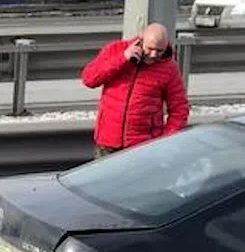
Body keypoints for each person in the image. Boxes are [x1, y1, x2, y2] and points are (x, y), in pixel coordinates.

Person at [80, 22, 189, 158]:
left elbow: (180, 108)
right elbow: (89, 79)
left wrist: (166, 139)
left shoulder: (169, 68)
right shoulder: (116, 50)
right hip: (108, 142)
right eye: (150, 48)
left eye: (160, 51)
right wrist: (123, 58)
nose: (154, 55)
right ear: (141, 39)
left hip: (143, 147)